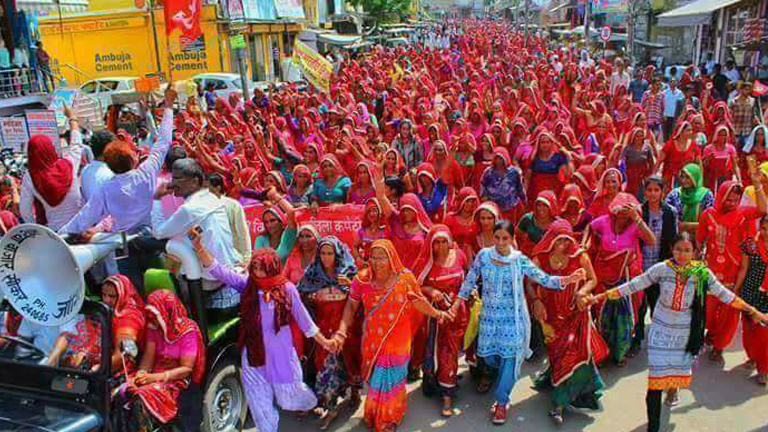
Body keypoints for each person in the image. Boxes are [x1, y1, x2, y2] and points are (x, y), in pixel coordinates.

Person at [588, 232, 768, 432]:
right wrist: (601, 297)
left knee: (675, 371)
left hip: (684, 333)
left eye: (687, 250)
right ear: (671, 250)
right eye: (678, 249)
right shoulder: (662, 269)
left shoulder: (702, 273)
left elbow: (725, 295)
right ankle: (653, 427)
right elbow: (635, 284)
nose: (682, 255)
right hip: (661, 330)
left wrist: (753, 311)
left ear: (695, 252)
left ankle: (672, 389)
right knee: (655, 383)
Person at [449, 221, 586, 425]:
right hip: (489, 319)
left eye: (505, 238)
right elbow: (470, 279)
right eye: (497, 238)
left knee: (510, 359)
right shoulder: (484, 256)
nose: (501, 243)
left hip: (513, 320)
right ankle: (502, 382)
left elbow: (544, 279)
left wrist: (567, 280)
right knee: (488, 357)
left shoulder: (519, 260)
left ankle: (502, 402)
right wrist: (457, 302)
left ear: (512, 239)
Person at [193, 236, 332, 432]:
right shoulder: (248, 286)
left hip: (281, 356)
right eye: (255, 269)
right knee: (259, 403)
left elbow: (305, 321)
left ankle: (309, 402)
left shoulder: (287, 289)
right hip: (253, 356)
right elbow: (220, 271)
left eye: (262, 269)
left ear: (273, 268)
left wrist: (325, 341)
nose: (258, 274)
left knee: (289, 396)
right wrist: (200, 249)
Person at [59, 87, 177, 292]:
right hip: (149, 239)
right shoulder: (146, 172)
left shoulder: (106, 188)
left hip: (124, 247)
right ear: (133, 158)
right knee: (163, 289)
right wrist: (168, 105)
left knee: (132, 294)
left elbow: (86, 216)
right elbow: (164, 140)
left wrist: (60, 235)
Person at [329, 240, 451, 432]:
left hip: (398, 340)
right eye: (373, 257)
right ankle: (374, 413)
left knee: (393, 379)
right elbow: (351, 306)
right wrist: (342, 331)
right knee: (377, 379)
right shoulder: (362, 279)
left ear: (392, 257)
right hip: (372, 339)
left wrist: (437, 314)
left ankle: (389, 417)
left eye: (382, 257)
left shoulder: (405, 279)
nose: (377, 262)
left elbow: (418, 301)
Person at [530, 220, 608, 425]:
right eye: (558, 240)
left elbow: (592, 279)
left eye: (566, 240)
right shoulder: (540, 259)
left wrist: (582, 292)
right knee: (558, 357)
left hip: (576, 315)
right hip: (551, 319)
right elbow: (529, 283)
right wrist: (537, 301)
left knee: (576, 357)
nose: (562, 245)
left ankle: (558, 404)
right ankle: (557, 383)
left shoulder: (579, 256)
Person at [151, 158, 243, 313]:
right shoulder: (212, 197)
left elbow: (159, 232)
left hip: (210, 279)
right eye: (172, 177)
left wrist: (157, 199)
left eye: (178, 179)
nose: (172, 183)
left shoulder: (189, 209)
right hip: (225, 270)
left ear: (194, 182)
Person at [113, 290, 205, 432]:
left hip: (176, 379)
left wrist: (154, 378)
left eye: (155, 315)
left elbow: (186, 369)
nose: (151, 319)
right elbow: (149, 357)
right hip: (155, 374)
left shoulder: (187, 331)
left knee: (140, 398)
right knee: (123, 391)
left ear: (166, 312)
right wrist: (141, 373)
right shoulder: (154, 327)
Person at [698, 177, 767, 362]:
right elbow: (699, 241)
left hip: (735, 272)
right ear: (720, 197)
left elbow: (763, 209)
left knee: (729, 314)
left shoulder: (742, 213)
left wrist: (757, 185)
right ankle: (712, 333)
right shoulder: (707, 214)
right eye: (728, 200)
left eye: (735, 200)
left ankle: (719, 346)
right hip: (711, 272)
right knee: (709, 312)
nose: (732, 204)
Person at [297, 236, 360, 429]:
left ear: (338, 254)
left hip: (345, 329)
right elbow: (301, 299)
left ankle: (355, 393)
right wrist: (313, 296)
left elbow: (358, 300)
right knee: (326, 367)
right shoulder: (312, 274)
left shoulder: (349, 274)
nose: (326, 258)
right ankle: (331, 406)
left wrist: (348, 287)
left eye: (330, 253)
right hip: (323, 331)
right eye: (323, 253)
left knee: (350, 363)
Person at [587, 193, 656, 366]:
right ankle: (602, 353)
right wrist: (584, 244)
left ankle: (620, 353)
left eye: (628, 210)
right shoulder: (603, 222)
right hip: (603, 275)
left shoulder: (635, 225)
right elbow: (589, 228)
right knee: (602, 315)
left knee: (625, 317)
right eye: (621, 209)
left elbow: (651, 240)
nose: (624, 213)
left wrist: (637, 218)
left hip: (626, 277)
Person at [413, 225, 469, 417]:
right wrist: (431, 291)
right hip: (435, 318)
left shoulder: (459, 255)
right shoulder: (427, 262)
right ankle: (442, 390)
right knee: (436, 352)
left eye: (444, 241)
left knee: (450, 354)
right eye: (436, 242)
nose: (440, 246)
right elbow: (414, 288)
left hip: (457, 313)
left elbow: (467, 279)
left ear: (450, 240)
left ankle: (447, 391)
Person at [20, 134, 84, 230]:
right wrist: (73, 122)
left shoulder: (30, 176)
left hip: (56, 233)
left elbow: (25, 210)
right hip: (81, 227)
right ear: (51, 148)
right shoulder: (69, 164)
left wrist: (37, 229)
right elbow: (77, 146)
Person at [734, 215, 768, 385]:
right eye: (764, 229)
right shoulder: (750, 245)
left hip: (767, 297)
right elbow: (744, 268)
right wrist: (736, 290)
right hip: (750, 293)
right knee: (748, 329)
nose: (767, 233)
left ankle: (764, 369)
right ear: (759, 227)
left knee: (764, 334)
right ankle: (753, 357)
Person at [101, 274, 146, 374]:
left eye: (112, 296)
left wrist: (98, 369)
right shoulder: (108, 312)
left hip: (125, 369)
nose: (106, 300)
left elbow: (123, 355)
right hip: (107, 360)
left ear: (123, 294)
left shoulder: (129, 319)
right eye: (104, 295)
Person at [206, 173, 252, 264]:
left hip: (232, 259)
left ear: (218, 188)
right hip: (208, 260)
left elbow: (242, 233)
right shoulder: (199, 206)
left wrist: (246, 258)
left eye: (207, 188)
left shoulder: (233, 206)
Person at [665, 163, 713, 235]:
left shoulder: (706, 195)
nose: (684, 180)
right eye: (682, 177)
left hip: (700, 237)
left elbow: (710, 219)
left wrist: (686, 226)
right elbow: (667, 215)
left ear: (696, 177)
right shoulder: (675, 194)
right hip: (678, 237)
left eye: (688, 177)